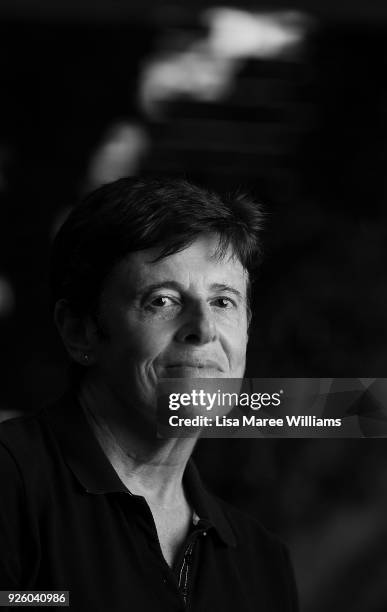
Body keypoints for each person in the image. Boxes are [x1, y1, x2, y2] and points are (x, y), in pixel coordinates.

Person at [0, 178, 298, 611]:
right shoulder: (10, 489)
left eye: (223, 302)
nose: (204, 329)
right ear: (78, 329)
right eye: (162, 300)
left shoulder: (263, 563)